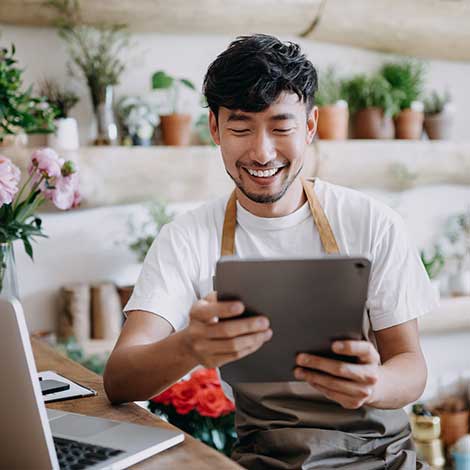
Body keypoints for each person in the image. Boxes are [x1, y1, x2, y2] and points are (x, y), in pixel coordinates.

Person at [104, 34, 438, 469]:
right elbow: (119, 378)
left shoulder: (371, 221)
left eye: (282, 127)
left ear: (311, 126)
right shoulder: (186, 238)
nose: (262, 152)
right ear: (214, 129)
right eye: (241, 128)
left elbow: (410, 365)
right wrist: (190, 346)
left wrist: (373, 383)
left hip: (382, 459)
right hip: (266, 461)